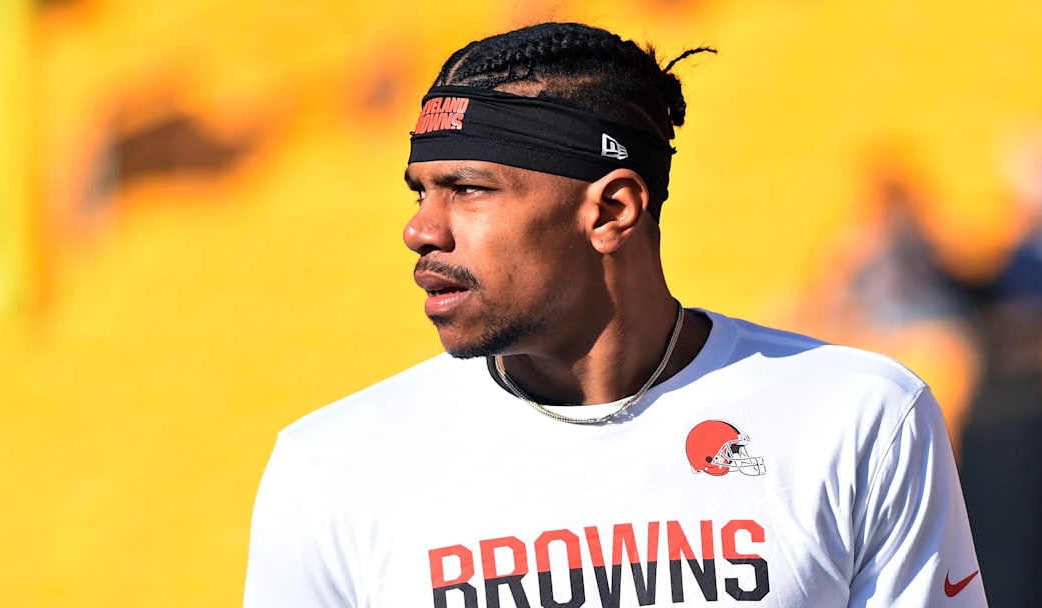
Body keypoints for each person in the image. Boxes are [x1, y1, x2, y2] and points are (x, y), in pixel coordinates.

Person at [243, 22, 986, 607]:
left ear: (613, 209)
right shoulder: (333, 466)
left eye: (467, 188)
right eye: (421, 192)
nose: (422, 229)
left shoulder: (859, 418)